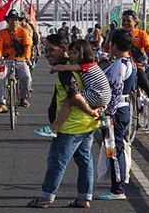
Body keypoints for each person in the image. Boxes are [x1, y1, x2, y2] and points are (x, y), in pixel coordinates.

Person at [27, 34, 99, 209]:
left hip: (72, 125)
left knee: (57, 160)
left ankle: (46, 197)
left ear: (65, 49)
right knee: (84, 159)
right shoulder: (78, 66)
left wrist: (89, 110)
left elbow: (74, 97)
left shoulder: (66, 71)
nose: (47, 54)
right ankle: (84, 197)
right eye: (46, 50)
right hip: (87, 124)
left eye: (52, 50)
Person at [36, 39, 111, 137]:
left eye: (74, 53)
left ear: (84, 53)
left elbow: (65, 68)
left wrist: (55, 68)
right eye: (70, 53)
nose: (71, 56)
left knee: (70, 99)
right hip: (104, 96)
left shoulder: (84, 65)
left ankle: (54, 128)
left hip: (98, 95)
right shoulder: (92, 64)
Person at [97, 29, 137, 200]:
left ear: (114, 45)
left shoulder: (120, 65)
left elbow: (115, 90)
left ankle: (118, 188)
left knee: (114, 149)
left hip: (116, 111)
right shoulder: (129, 63)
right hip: (121, 109)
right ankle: (117, 185)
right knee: (113, 148)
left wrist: (107, 114)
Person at [122, 9, 149, 112]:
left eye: (128, 20)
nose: (126, 23)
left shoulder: (141, 34)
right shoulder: (119, 34)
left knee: (146, 85)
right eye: (124, 20)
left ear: (135, 21)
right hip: (122, 65)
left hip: (136, 66)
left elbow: (148, 47)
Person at [0, 9, 33, 113]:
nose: (14, 22)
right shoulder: (2, 33)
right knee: (1, 77)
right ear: (8, 21)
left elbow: (27, 46)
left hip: (20, 60)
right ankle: (2, 103)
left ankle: (23, 98)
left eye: (16, 20)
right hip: (6, 60)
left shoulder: (23, 32)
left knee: (27, 77)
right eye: (12, 19)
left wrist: (27, 58)